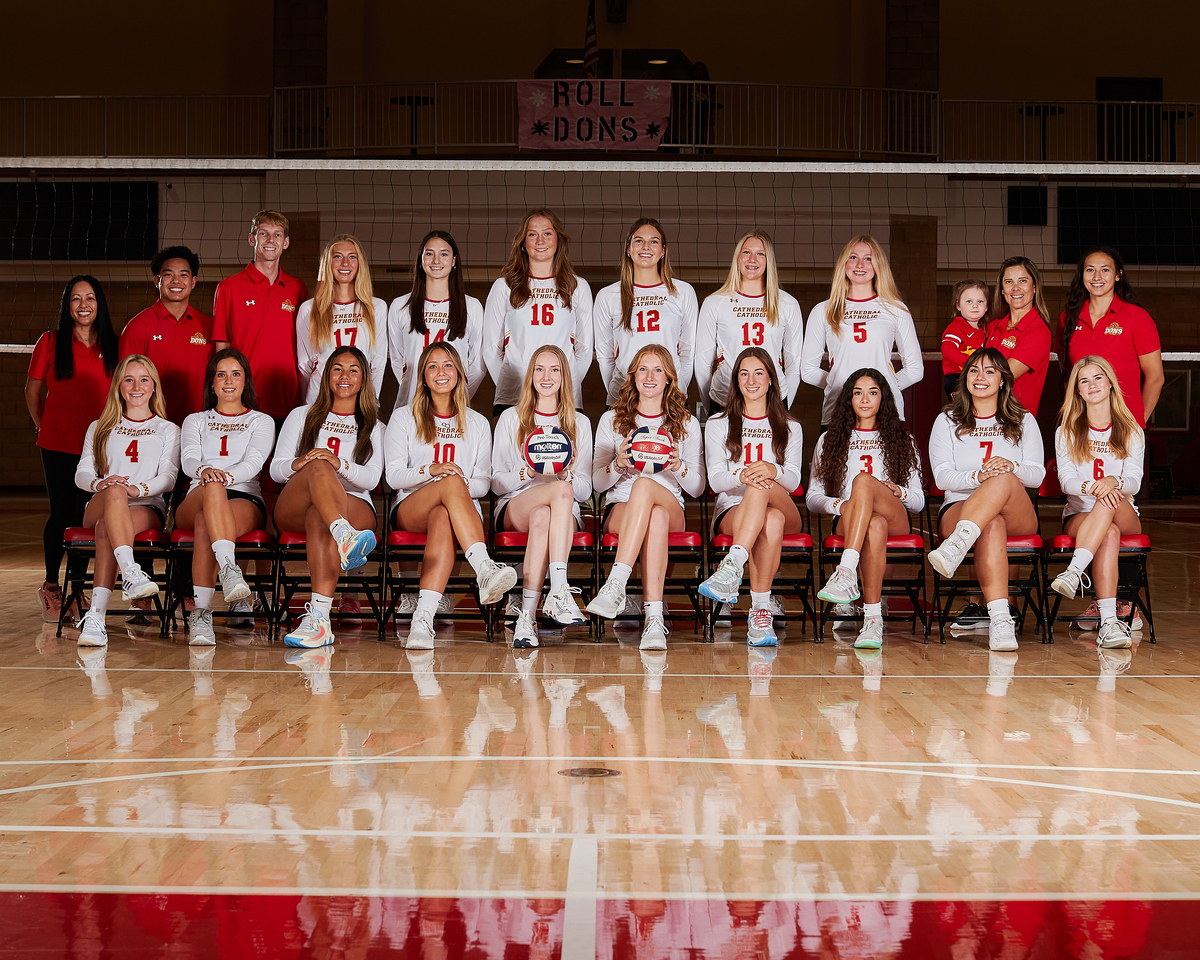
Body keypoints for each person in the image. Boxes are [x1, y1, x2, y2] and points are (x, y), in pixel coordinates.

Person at [385, 342, 517, 650]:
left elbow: (484, 482)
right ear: (423, 375)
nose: (440, 372)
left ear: (459, 372)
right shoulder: (404, 417)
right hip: (410, 508)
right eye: (432, 366)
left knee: (444, 512)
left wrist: (453, 486)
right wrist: (433, 472)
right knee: (450, 481)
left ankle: (423, 620)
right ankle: (484, 568)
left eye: (447, 365)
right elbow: (393, 477)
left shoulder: (478, 422)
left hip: (459, 513)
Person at [926, 348, 1046, 652]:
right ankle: (1001, 619)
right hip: (960, 506)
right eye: (974, 371)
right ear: (965, 377)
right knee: (989, 523)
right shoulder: (946, 420)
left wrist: (1010, 467)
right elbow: (941, 478)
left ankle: (957, 545)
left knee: (1003, 475)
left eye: (990, 371)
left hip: (1016, 512)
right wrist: (976, 477)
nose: (981, 377)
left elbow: (1036, 475)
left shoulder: (1023, 420)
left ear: (1004, 380)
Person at [587, 345, 706, 650]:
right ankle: (654, 619)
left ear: (669, 378)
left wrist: (678, 466)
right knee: (654, 516)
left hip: (673, 505)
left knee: (645, 488)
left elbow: (696, 488)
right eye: (642, 369)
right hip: (622, 509)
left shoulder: (687, 424)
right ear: (632, 376)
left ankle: (617, 583)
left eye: (657, 370)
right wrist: (618, 464)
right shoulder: (612, 419)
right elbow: (597, 484)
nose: (649, 376)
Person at [269, 346, 383, 649]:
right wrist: (307, 464)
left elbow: (372, 478)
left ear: (364, 379)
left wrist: (339, 463)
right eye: (337, 368)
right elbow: (276, 469)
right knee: (318, 466)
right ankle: (343, 535)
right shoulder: (302, 415)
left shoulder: (374, 425)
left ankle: (319, 619)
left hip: (354, 505)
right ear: (325, 375)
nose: (344, 376)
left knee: (321, 515)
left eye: (353, 370)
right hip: (297, 502)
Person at [807, 369, 925, 650]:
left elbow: (919, 501)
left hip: (895, 516)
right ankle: (873, 620)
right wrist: (840, 504)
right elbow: (813, 497)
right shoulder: (830, 439)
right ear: (848, 399)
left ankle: (845, 571)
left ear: (884, 398)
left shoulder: (902, 439)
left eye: (872, 392)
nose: (864, 398)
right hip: (850, 519)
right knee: (874, 524)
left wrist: (900, 491)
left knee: (863, 481)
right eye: (857, 392)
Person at [26, 276, 119, 623]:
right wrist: (44, 425)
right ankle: (52, 585)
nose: (83, 305)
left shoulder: (113, 343)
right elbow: (32, 391)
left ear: (99, 304)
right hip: (59, 443)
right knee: (62, 513)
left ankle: (76, 588)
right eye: (76, 299)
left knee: (87, 518)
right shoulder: (51, 342)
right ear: (67, 306)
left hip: (99, 446)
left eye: (90, 298)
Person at [699, 347, 804, 647]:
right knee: (769, 519)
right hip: (734, 510)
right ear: (736, 381)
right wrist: (740, 476)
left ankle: (732, 566)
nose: (751, 379)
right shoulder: (719, 423)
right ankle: (760, 612)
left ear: (771, 378)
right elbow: (717, 480)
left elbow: (794, 479)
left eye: (759, 372)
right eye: (744, 373)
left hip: (784, 503)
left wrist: (773, 469)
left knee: (764, 486)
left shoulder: (790, 426)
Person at [73, 356, 181, 647]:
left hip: (146, 505)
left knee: (106, 529)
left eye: (144, 379)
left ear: (154, 386)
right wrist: (102, 483)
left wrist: (138, 488)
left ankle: (96, 618)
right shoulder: (100, 426)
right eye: (129, 379)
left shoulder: (167, 429)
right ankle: (131, 572)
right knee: (115, 491)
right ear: (118, 386)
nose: (136, 386)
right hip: (101, 500)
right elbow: (82, 473)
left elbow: (169, 477)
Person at [491, 345, 593, 647]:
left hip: (561, 513)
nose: (546, 376)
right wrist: (528, 473)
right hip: (515, 504)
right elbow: (497, 483)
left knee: (544, 516)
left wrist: (567, 474)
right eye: (539, 369)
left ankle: (527, 618)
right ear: (530, 375)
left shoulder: (579, 422)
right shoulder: (511, 418)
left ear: (564, 376)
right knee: (556, 496)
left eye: (554, 369)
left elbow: (585, 489)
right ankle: (559, 588)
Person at [176, 349, 276, 645]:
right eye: (221, 374)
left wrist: (224, 476)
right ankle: (230, 570)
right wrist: (208, 472)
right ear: (211, 382)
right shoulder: (195, 420)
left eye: (236, 374)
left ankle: (203, 615)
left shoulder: (261, 420)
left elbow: (255, 462)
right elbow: (188, 459)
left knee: (205, 525)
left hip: (244, 496)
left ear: (246, 382)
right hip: (198, 492)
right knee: (211, 490)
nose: (228, 380)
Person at [1050, 356, 1144, 650]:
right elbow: (1066, 482)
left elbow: (1134, 481)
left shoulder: (1131, 428)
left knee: (1110, 500)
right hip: (1081, 513)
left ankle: (1075, 570)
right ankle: (1109, 624)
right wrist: (1093, 486)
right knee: (1108, 532)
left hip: (1124, 512)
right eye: (1084, 381)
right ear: (1077, 390)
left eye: (1098, 378)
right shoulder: (1067, 430)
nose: (1092, 385)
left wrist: (1112, 483)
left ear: (1110, 383)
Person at [801, 235, 923, 425]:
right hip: (838, 411)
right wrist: (841, 386)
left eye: (868, 258)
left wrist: (881, 389)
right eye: (853, 257)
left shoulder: (896, 309)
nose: (860, 265)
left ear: (878, 265)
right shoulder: (823, 310)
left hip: (886, 412)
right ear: (844, 263)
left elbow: (915, 369)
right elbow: (808, 370)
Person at [483, 209, 593, 412]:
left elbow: (584, 350)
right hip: (514, 396)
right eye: (532, 234)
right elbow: (490, 349)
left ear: (558, 240)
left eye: (547, 233)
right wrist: (513, 384)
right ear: (523, 243)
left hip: (564, 399)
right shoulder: (504, 286)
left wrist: (563, 385)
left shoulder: (577, 286)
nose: (540, 240)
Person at [212, 210, 309, 422]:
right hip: (243, 400)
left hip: (287, 399)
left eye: (277, 234)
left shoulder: (298, 289)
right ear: (252, 238)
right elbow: (221, 350)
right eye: (264, 233)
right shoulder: (229, 288)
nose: (271, 240)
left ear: (286, 242)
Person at [594, 217, 699, 405]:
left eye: (654, 242)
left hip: (668, 397)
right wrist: (619, 391)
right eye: (639, 241)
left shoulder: (683, 292)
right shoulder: (608, 295)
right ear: (628, 248)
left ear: (663, 251)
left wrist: (677, 391)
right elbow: (604, 355)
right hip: (624, 398)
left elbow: (687, 351)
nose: (646, 247)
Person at [695, 230, 803, 413]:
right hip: (725, 397)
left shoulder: (787, 303)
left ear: (768, 260)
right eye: (746, 252)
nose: (752, 259)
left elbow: (794, 366)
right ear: (737, 257)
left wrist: (782, 404)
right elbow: (702, 362)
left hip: (771, 400)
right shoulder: (715, 303)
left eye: (760, 254)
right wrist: (711, 405)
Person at [1058, 246, 1163, 429]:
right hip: (1082, 425)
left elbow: (1155, 377)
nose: (1097, 277)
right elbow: (1067, 369)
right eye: (1090, 270)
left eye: (1105, 270)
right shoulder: (1067, 318)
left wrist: (1137, 423)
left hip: (1124, 427)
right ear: (1082, 275)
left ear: (1117, 275)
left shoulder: (1137, 317)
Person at [388, 230, 485, 408]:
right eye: (430, 254)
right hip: (411, 404)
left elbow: (478, 366)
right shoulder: (400, 306)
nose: (436, 260)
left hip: (454, 408)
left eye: (444, 254)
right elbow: (397, 359)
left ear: (454, 260)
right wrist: (418, 388)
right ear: (421, 259)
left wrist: (453, 392)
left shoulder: (472, 306)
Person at [119, 245, 214, 426]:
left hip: (199, 424)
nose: (176, 281)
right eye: (169, 275)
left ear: (193, 282)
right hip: (153, 426)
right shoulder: (137, 327)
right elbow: (124, 382)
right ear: (157, 281)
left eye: (183, 275)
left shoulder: (208, 326)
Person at [295, 235, 387, 404]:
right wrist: (307, 405)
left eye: (352, 256)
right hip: (319, 397)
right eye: (337, 256)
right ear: (327, 263)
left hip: (359, 397)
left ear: (360, 264)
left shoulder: (376, 308)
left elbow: (378, 362)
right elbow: (304, 365)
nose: (345, 263)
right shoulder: (309, 309)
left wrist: (370, 401)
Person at [982, 256, 1052, 417]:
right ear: (1001, 289)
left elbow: (1002, 376)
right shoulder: (995, 326)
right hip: (985, 417)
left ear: (1034, 287)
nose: (1015, 288)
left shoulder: (1037, 331)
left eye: (1022, 281)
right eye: (1008, 282)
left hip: (1013, 421)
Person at [941, 279, 990, 399]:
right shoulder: (957, 326)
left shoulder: (984, 329)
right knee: (962, 407)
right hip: (957, 377)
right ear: (958, 305)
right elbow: (947, 349)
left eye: (980, 301)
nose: (975, 305)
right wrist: (968, 361)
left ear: (987, 306)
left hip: (976, 375)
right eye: (969, 301)